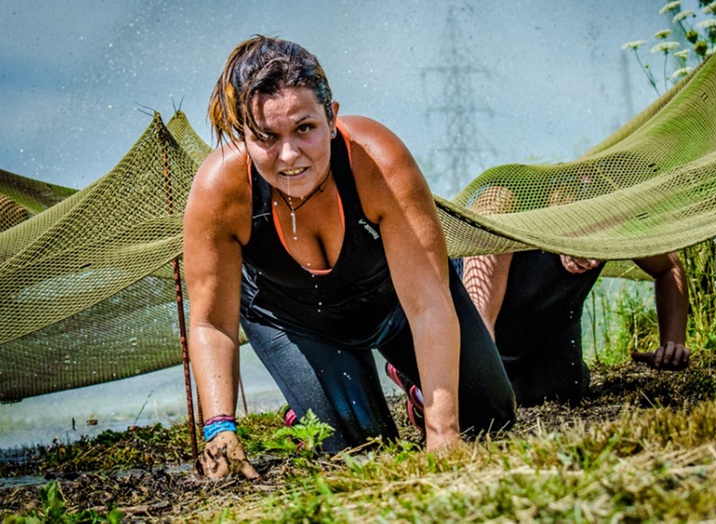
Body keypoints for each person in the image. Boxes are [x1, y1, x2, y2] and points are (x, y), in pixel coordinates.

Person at [183, 36, 515, 479]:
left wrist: (442, 435)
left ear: (332, 117)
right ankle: (310, 404)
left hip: (396, 303)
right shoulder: (220, 190)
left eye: (305, 128)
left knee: (490, 418)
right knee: (363, 453)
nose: (288, 156)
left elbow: (429, 302)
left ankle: (414, 386)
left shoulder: (376, 160)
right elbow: (212, 323)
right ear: (245, 135)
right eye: (266, 136)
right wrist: (219, 429)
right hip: (295, 323)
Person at [458, 182, 689, 407]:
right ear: (562, 216)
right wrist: (480, 382)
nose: (593, 261)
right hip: (481, 335)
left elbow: (669, 267)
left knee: (565, 388)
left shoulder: (614, 215)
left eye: (603, 247)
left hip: (548, 340)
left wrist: (672, 344)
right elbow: (477, 315)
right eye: (584, 244)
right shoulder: (502, 205)